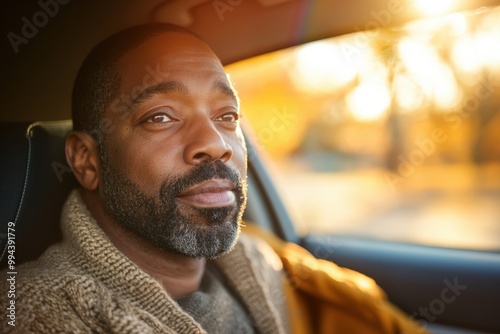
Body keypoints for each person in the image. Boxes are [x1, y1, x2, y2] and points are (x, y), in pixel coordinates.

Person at [1, 24, 427, 333]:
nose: (215, 143)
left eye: (227, 116)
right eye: (161, 116)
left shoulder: (264, 261)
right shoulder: (37, 313)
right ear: (86, 161)